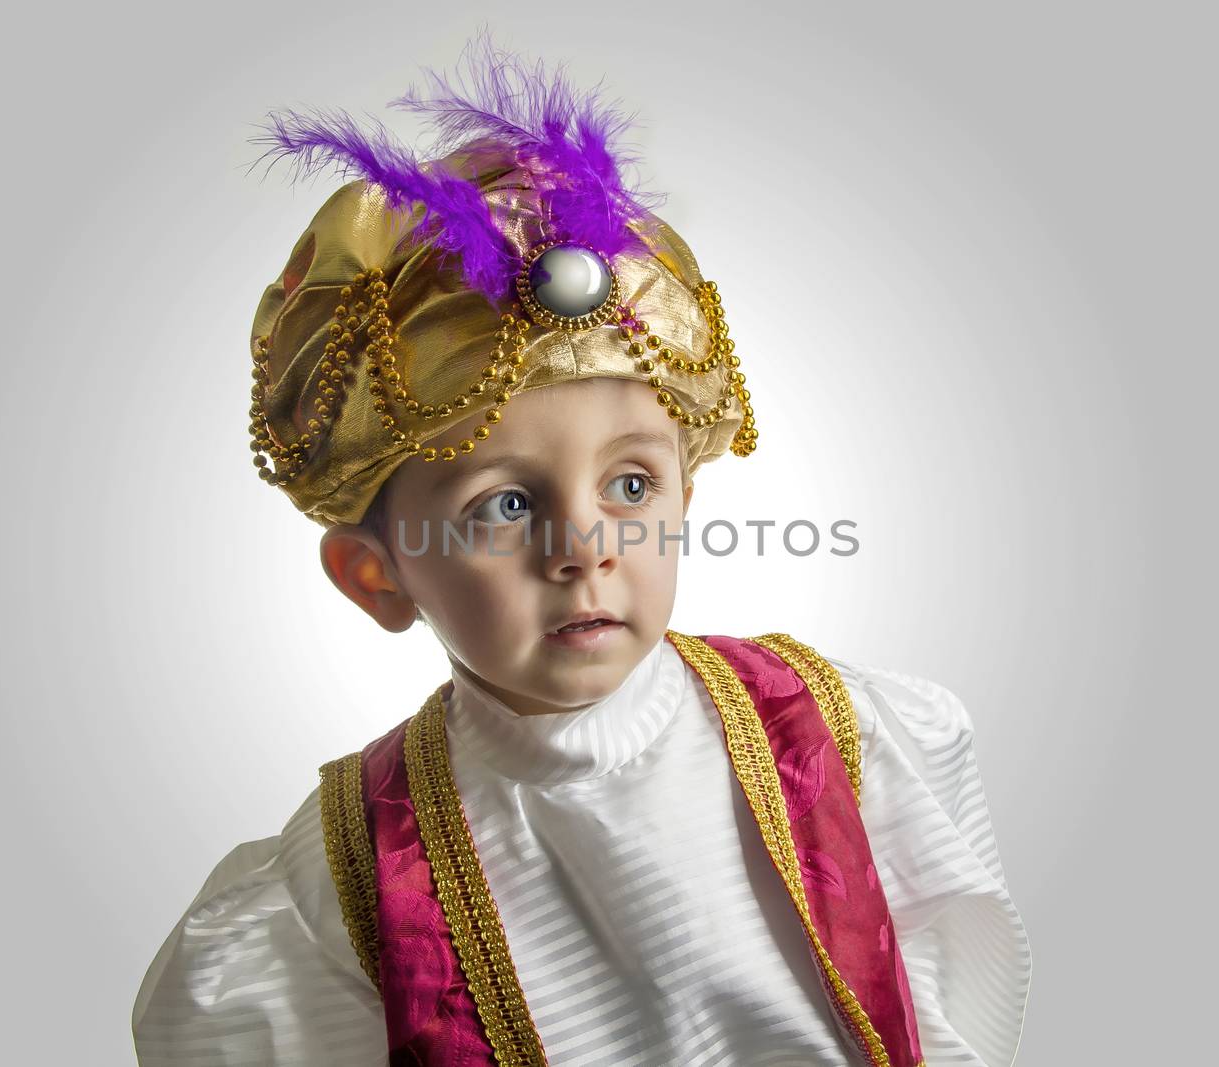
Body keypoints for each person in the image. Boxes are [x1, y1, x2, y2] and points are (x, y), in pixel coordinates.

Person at [132, 34, 1031, 1067]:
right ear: (376, 575)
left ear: (688, 494)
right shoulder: (339, 883)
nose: (584, 548)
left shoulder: (848, 733)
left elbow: (959, 1007)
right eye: (504, 503)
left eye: (632, 484)